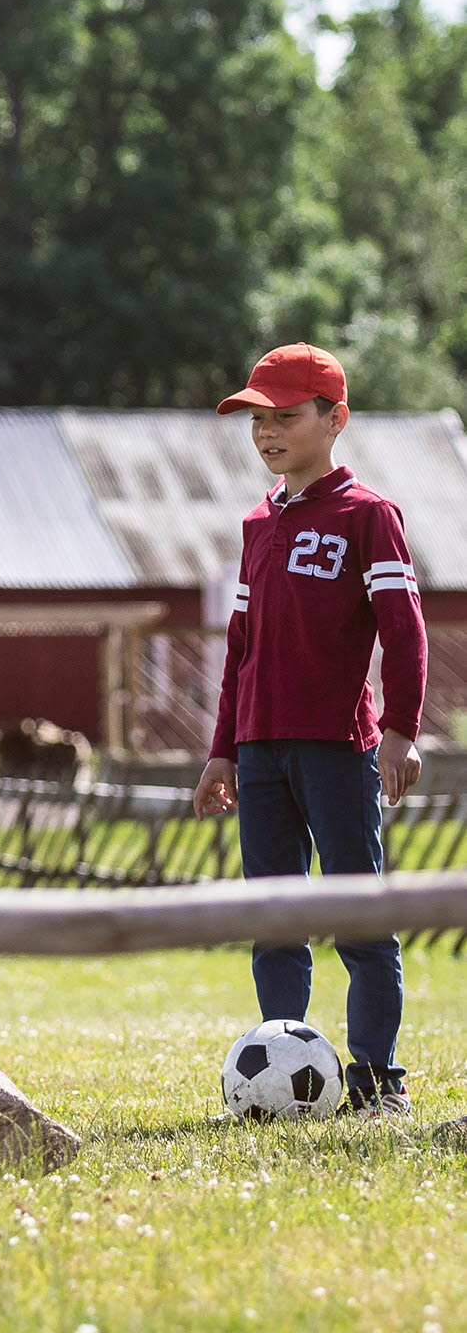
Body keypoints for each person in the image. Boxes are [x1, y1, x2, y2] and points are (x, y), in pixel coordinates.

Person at [193, 342, 425, 1117]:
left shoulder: (368, 516)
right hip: (257, 750)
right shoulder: (257, 523)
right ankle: (280, 1077)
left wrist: (399, 727)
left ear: (334, 420)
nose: (266, 432)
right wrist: (221, 750)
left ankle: (376, 1078)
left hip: (337, 747)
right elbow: (239, 651)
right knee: (275, 917)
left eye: (284, 416)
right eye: (256, 418)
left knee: (360, 918)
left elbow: (404, 630)